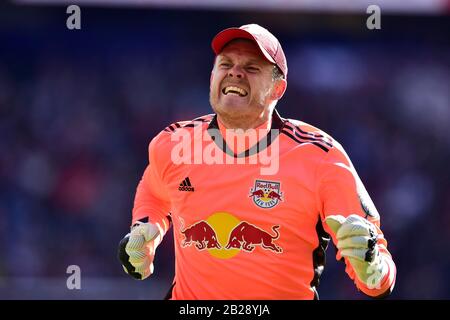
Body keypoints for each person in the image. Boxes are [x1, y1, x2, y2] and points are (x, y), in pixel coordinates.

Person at [117, 24, 396, 300]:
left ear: (278, 88)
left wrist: (369, 266)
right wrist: (144, 231)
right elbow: (154, 191)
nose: (235, 72)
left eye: (252, 68)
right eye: (226, 64)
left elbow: (379, 280)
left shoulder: (321, 158)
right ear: (213, 76)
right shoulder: (173, 144)